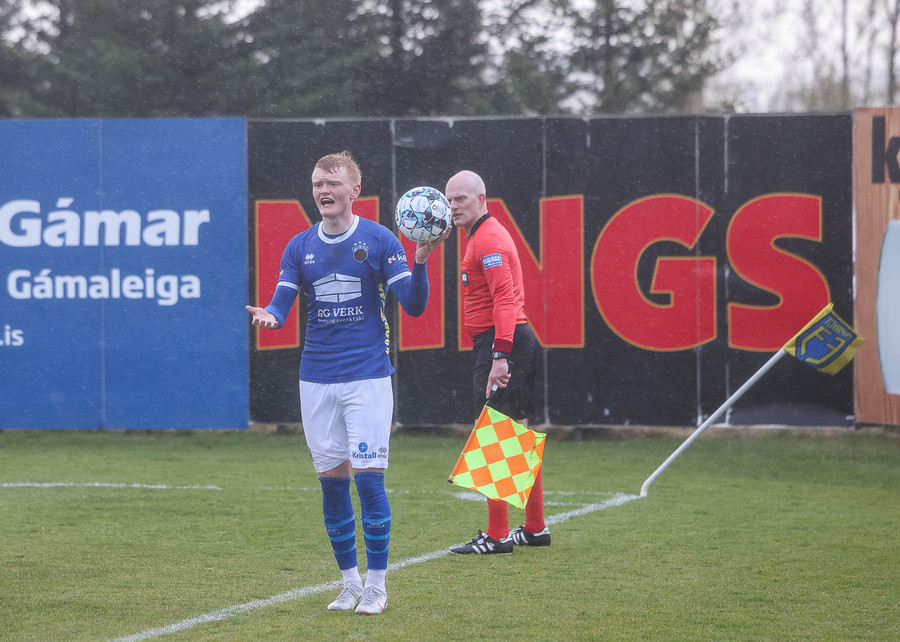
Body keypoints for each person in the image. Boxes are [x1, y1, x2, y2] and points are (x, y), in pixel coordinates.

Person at [246, 151, 448, 614]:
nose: (324, 190)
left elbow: (414, 305)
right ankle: (350, 584)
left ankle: (377, 587)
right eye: (318, 183)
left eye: (332, 183)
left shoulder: (379, 239)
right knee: (332, 487)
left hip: (367, 378)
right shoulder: (299, 246)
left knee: (369, 484)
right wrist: (269, 316)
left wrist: (420, 261)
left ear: (354, 191)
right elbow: (280, 304)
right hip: (315, 379)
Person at [445, 170, 549, 555]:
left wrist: (500, 355)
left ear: (481, 199)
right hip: (509, 340)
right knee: (516, 436)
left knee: (494, 435)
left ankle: (497, 535)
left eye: (460, 199)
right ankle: (535, 528)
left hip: (502, 343)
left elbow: (505, 298)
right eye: (449, 200)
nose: (453, 206)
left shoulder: (487, 239)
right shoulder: (482, 235)